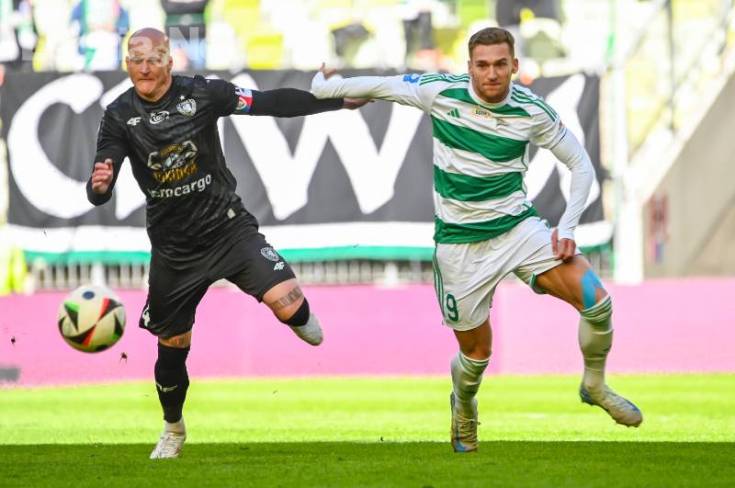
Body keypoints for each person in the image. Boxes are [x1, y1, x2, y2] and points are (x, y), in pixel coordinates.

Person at [311, 26, 642, 453]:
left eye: (500, 64)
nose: (491, 74)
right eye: (482, 65)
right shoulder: (441, 92)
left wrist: (568, 227)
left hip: (517, 228)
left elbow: (580, 163)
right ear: (469, 67)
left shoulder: (532, 111)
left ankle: (594, 384)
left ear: (514, 66)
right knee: (477, 355)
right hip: (460, 246)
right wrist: (327, 88)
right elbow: (384, 85)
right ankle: (464, 404)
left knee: (597, 300)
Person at [86, 27, 364, 459]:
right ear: (127, 64)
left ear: (169, 61)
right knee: (173, 348)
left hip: (227, 229)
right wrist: (99, 186)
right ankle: (173, 429)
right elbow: (101, 181)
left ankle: (296, 313)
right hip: (174, 250)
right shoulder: (119, 114)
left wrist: (335, 101)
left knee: (294, 311)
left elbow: (269, 103)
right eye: (135, 60)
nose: (144, 68)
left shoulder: (203, 93)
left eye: (153, 59)